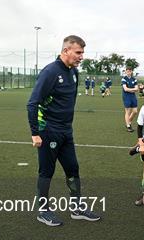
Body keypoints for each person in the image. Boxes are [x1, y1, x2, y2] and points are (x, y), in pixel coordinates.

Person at [27, 35, 101, 227]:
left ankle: (76, 208)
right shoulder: (50, 72)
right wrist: (35, 132)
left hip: (66, 131)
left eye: (82, 53)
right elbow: (32, 103)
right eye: (78, 52)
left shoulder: (74, 72)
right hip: (48, 131)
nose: (81, 56)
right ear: (66, 50)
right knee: (47, 171)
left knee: (72, 168)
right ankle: (43, 211)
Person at [122, 67, 139, 132]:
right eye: (127, 71)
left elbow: (137, 89)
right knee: (128, 111)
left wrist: (130, 90)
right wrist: (133, 90)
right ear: (125, 72)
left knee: (135, 111)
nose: (128, 72)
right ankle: (128, 126)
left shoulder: (134, 79)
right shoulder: (124, 79)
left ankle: (128, 122)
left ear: (131, 72)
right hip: (126, 96)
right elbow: (125, 89)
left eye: (129, 71)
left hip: (133, 96)